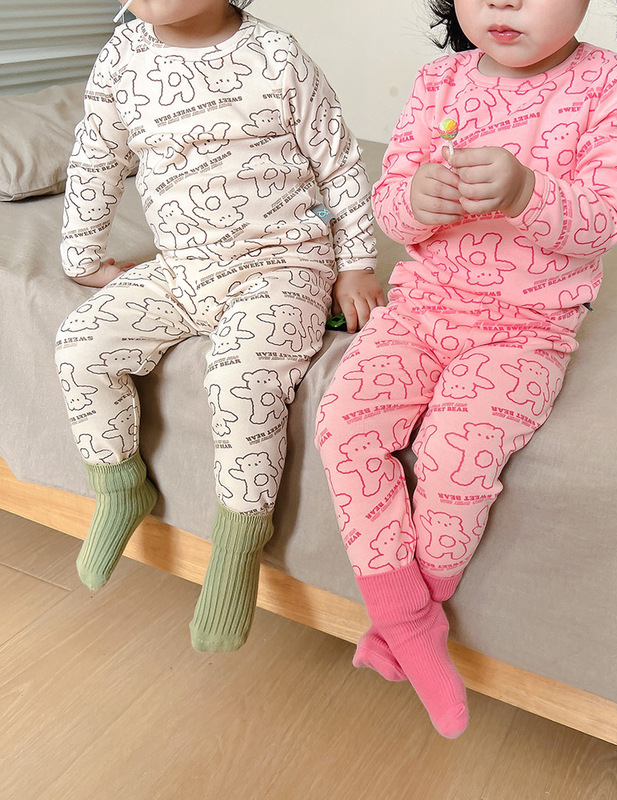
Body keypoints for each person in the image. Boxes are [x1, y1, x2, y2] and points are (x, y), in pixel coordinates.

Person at [315, 0, 617, 738]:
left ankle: (404, 622)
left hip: (524, 330)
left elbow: (607, 219)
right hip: (421, 308)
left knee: (456, 460)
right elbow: (390, 204)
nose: (503, 1)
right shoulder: (439, 83)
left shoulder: (606, 84)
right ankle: (412, 624)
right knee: (344, 423)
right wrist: (413, 203)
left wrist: (528, 192)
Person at [54, 0, 384, 653]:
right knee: (80, 346)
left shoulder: (277, 56)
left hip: (284, 264)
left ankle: (238, 541)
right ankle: (120, 486)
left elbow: (340, 165)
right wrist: (82, 258)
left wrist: (356, 266)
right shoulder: (122, 57)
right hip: (182, 267)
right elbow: (96, 158)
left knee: (241, 378)